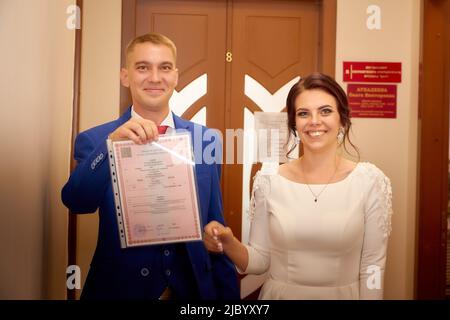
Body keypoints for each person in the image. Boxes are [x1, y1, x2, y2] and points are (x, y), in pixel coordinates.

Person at [62, 33, 239, 300]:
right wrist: (111, 146)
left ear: (176, 76)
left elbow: (216, 221)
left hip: (193, 292)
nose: (155, 78)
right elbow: (77, 201)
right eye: (143, 67)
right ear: (125, 76)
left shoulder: (207, 139)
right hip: (119, 289)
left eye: (164, 67)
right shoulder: (96, 140)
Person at [204, 72, 393, 300]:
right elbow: (259, 261)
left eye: (325, 111)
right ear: (294, 123)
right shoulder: (269, 180)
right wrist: (228, 242)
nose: (315, 121)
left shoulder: (370, 182)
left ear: (342, 118)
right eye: (304, 113)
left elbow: (373, 266)